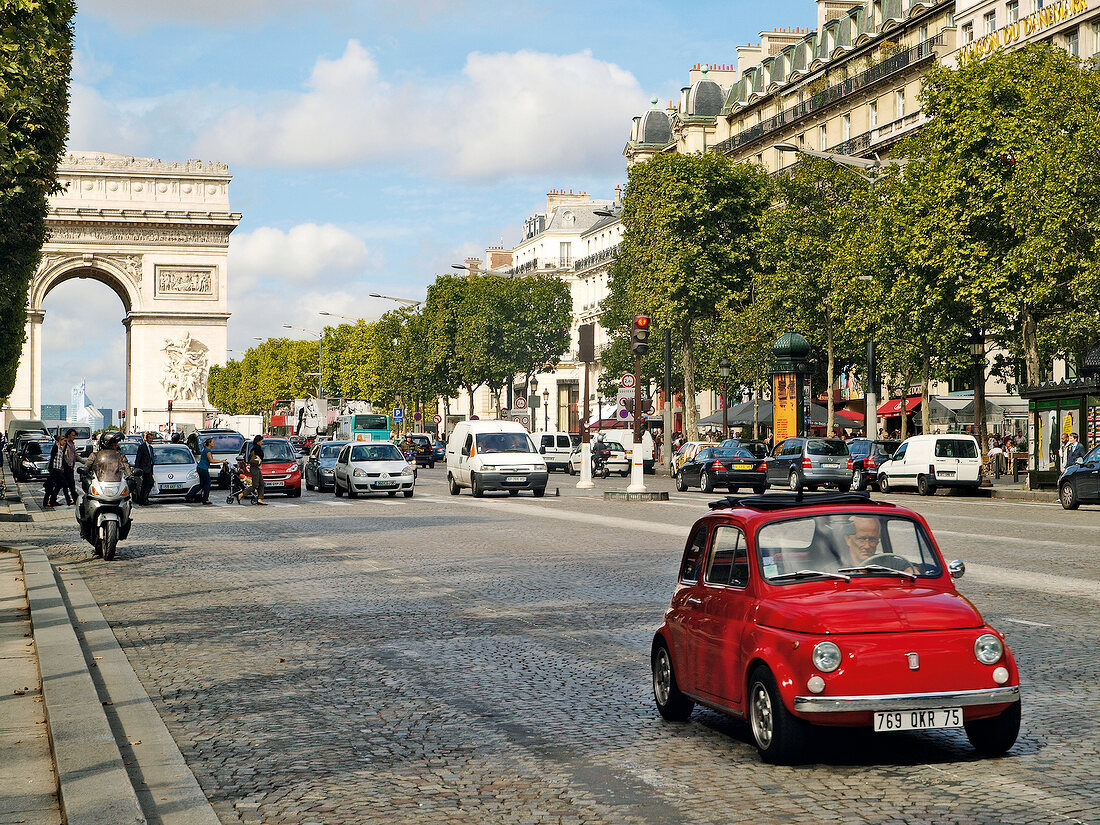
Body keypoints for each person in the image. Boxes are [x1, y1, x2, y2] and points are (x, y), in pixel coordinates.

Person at [238, 434, 266, 505]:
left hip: (256, 468)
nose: (263, 443)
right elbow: (261, 456)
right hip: (255, 468)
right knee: (255, 485)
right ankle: (242, 494)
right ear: (258, 441)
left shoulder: (253, 448)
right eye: (262, 441)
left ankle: (260, 498)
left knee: (261, 483)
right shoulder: (257, 448)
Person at [42, 434, 69, 507]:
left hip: (58, 469)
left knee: (56, 485)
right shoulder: (55, 447)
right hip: (54, 469)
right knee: (63, 483)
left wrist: (62, 467)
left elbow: (60, 459)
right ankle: (51, 500)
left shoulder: (61, 448)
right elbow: (52, 457)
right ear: (60, 440)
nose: (64, 442)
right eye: (64, 441)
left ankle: (52, 501)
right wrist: (51, 469)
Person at [187, 437, 215, 505]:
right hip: (203, 468)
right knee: (207, 484)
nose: (214, 444)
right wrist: (221, 461)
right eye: (213, 442)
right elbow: (211, 460)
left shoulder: (205, 450)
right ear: (209, 444)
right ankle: (205, 499)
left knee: (201, 484)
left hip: (200, 467)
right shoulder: (208, 451)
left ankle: (189, 495)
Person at [134, 431, 155, 505]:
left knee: (145, 485)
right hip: (144, 469)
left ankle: (143, 500)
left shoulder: (151, 448)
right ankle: (144, 499)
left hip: (149, 469)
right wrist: (137, 469)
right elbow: (138, 458)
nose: (151, 440)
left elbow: (151, 459)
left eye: (152, 438)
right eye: (150, 438)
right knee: (150, 482)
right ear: (146, 439)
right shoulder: (142, 447)